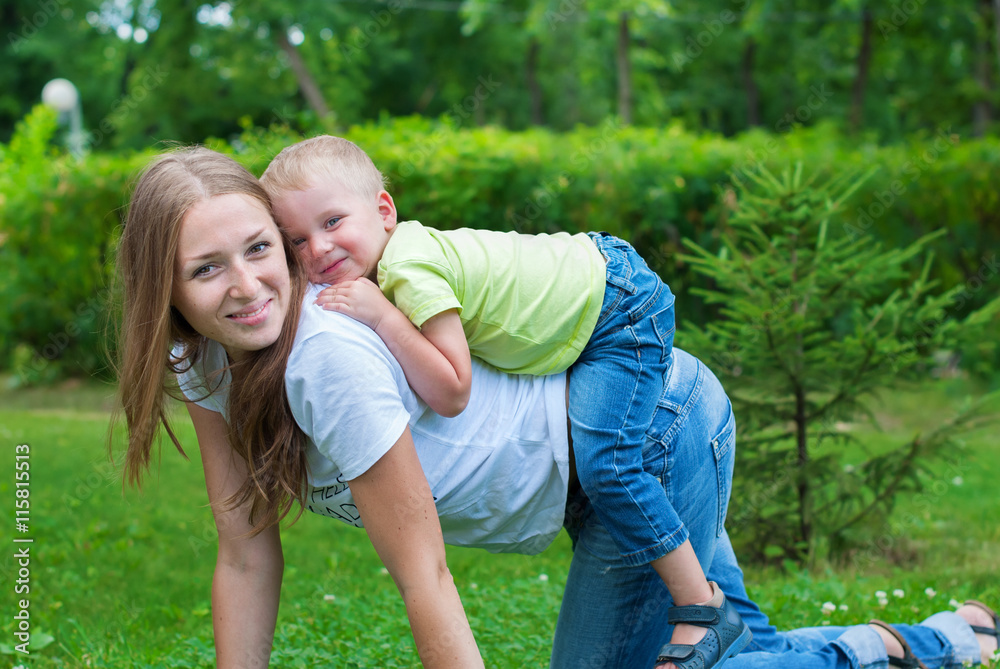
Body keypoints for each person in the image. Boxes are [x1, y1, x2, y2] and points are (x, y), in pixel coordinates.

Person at [111, 146, 997, 669]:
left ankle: (906, 644)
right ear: (165, 293)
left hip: (645, 435)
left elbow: (424, 576)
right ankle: (927, 641)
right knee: (727, 648)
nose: (249, 284)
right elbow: (243, 549)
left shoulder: (326, 359)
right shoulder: (210, 363)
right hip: (609, 449)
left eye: (260, 248)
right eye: (206, 268)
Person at [259, 134, 748, 668]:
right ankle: (850, 651)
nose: (319, 249)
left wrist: (381, 316)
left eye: (331, 223)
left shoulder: (408, 269)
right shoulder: (394, 260)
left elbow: (452, 389)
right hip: (603, 286)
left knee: (610, 466)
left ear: (383, 211)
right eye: (296, 242)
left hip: (618, 306)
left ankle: (701, 605)